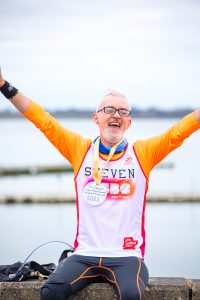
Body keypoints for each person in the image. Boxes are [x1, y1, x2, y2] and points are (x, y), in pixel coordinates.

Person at [0, 67, 200, 300]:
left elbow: (180, 131)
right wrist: (4, 85)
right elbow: (43, 120)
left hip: (127, 257)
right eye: (109, 109)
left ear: (129, 123)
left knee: (131, 294)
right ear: (96, 118)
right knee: (50, 291)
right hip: (85, 255)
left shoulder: (142, 153)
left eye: (123, 111)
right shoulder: (80, 149)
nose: (116, 114)